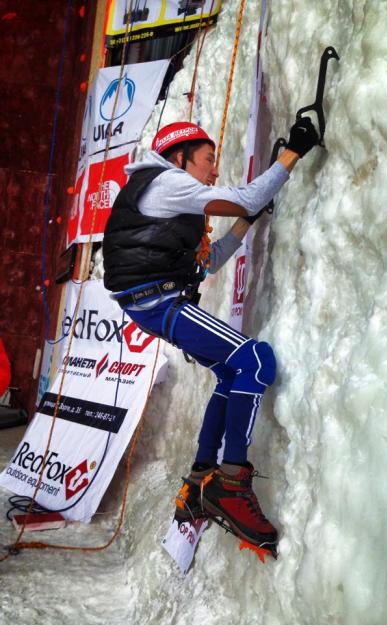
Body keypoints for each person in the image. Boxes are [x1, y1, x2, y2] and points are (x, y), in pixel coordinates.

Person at [102, 118, 319, 550]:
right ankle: (232, 486)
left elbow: (211, 261)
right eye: (208, 160)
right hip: (159, 302)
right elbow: (246, 197)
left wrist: (247, 223)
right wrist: (291, 153)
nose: (214, 171)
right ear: (179, 158)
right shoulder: (167, 182)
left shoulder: (161, 197)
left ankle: (202, 480)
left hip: (152, 301)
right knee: (256, 361)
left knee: (230, 372)